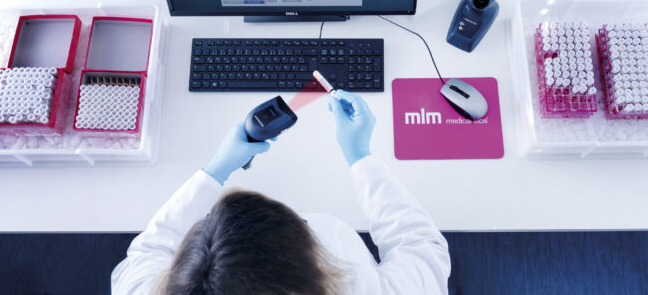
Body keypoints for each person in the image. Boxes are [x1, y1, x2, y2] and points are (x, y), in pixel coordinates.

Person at [112, 90, 450, 294]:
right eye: (300, 224)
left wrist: (216, 168)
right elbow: (420, 245)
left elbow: (147, 251)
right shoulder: (363, 287)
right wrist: (360, 156)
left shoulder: (142, 289)